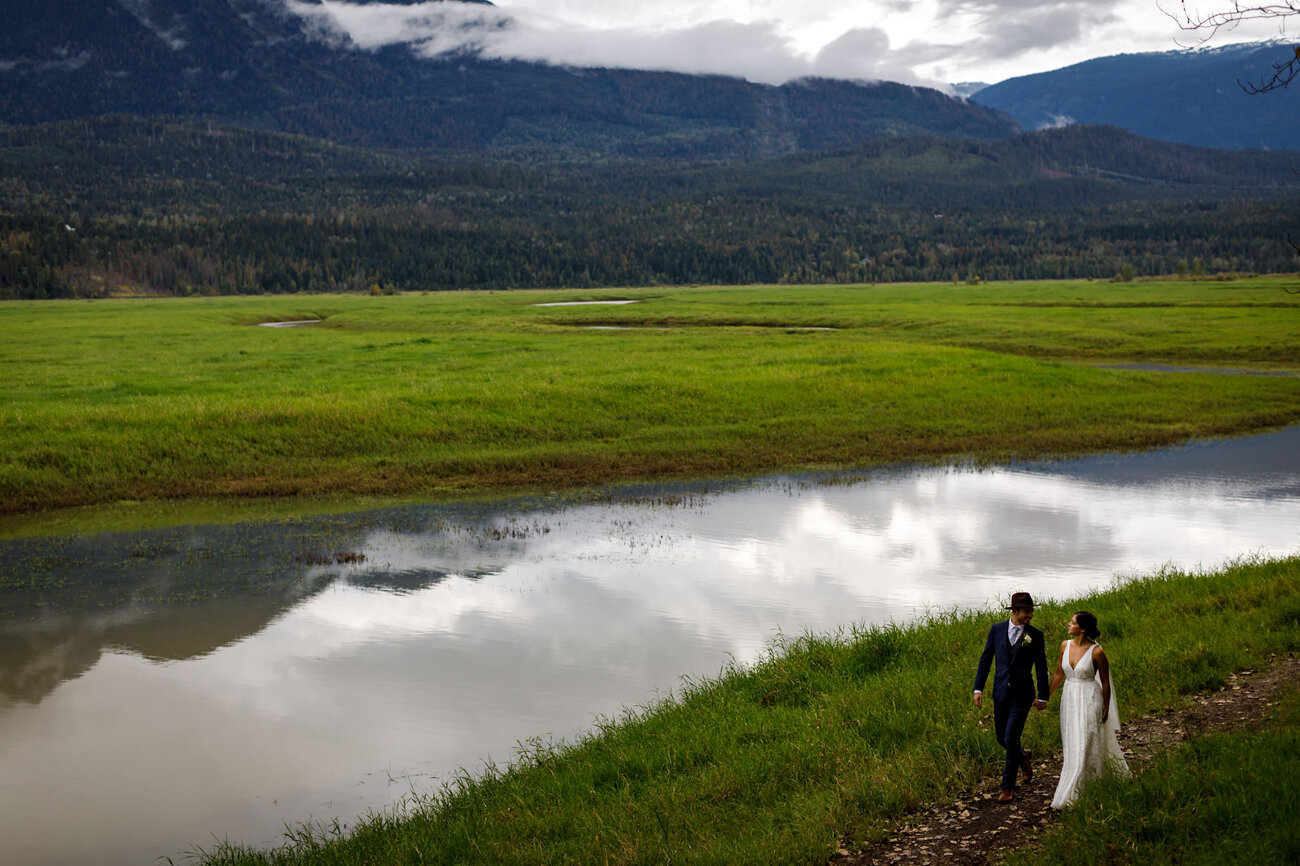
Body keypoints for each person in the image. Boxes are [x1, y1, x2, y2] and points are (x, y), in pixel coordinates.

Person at [973, 591, 1050, 802]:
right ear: (1015, 611)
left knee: (1010, 737)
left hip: (1023, 694)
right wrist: (978, 689)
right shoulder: (997, 630)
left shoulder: (1035, 635)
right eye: (1027, 611)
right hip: (1000, 692)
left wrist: (1043, 696)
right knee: (1001, 737)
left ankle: (1008, 787)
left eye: (1032, 611)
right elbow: (986, 659)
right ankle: (1023, 757)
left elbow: (1041, 668)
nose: (1031, 615)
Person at [1048, 611, 1130, 809]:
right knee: (1072, 740)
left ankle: (1074, 793)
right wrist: (1045, 696)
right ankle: (1085, 781)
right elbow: (1059, 674)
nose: (1068, 624)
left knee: (1086, 739)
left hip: (1090, 698)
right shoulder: (1064, 645)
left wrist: (1106, 707)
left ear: (1082, 628)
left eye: (1073, 622)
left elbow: (1105, 682)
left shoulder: (1097, 652)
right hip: (1070, 698)